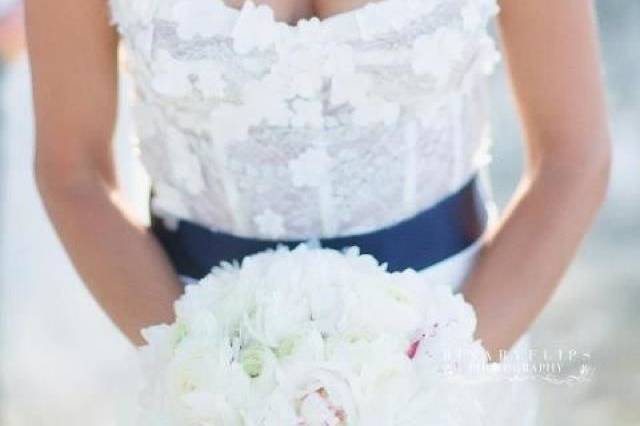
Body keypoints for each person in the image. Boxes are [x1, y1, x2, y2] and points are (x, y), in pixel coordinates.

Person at [25, 0, 611, 422]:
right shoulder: (201, 374)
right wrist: (209, 382)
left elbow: (573, 156)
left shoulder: (450, 364)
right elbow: (72, 169)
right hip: (194, 343)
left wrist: (434, 381)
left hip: (466, 326)